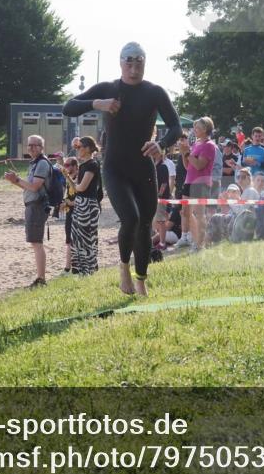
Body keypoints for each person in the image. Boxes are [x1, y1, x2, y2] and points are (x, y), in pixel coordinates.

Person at [63, 42, 182, 295]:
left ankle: (141, 280)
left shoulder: (154, 92)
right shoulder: (108, 89)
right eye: (129, 63)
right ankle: (124, 268)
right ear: (121, 63)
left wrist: (160, 144)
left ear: (144, 64)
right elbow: (68, 107)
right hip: (115, 167)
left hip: (143, 167)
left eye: (139, 63)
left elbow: (176, 127)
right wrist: (97, 103)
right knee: (131, 218)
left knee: (145, 224)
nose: (134, 68)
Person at [3, 135, 52, 287]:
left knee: (37, 243)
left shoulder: (42, 163)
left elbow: (35, 187)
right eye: (29, 145)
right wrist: (14, 180)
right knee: (35, 242)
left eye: (35, 145)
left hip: (37, 206)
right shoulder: (35, 163)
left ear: (41, 147)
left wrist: (17, 179)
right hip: (33, 205)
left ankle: (41, 279)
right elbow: (28, 186)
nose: (31, 147)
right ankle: (40, 278)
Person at [178, 117, 219, 251]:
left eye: (197, 127)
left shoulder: (209, 145)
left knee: (199, 214)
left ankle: (200, 244)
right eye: (194, 127)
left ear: (205, 129)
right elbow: (188, 166)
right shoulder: (196, 144)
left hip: (201, 183)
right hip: (189, 181)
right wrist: (184, 153)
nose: (194, 129)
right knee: (185, 213)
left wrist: (187, 153)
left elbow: (199, 165)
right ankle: (196, 240)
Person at [71, 136, 102, 275]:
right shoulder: (84, 165)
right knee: (77, 237)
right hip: (80, 203)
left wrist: (73, 185)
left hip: (87, 205)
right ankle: (82, 269)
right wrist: (68, 178)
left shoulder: (92, 164)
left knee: (87, 238)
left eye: (79, 146)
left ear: (88, 148)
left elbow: (82, 187)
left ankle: (89, 269)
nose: (77, 149)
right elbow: (77, 187)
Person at [60, 156, 79, 274]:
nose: (65, 167)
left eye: (67, 165)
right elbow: (67, 196)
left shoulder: (79, 178)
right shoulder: (69, 179)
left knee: (74, 241)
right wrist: (64, 202)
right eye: (65, 165)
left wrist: (67, 202)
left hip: (78, 213)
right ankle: (68, 267)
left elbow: (78, 197)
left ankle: (70, 268)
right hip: (69, 213)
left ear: (75, 166)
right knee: (68, 240)